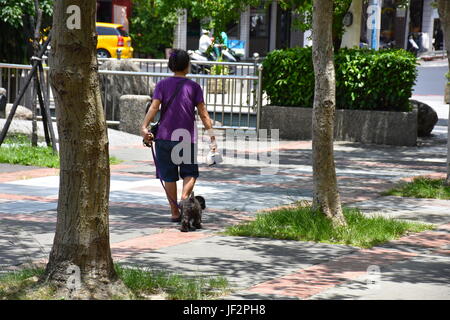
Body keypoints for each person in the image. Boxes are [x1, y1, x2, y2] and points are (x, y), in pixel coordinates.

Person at [140, 49, 216, 222]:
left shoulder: (162, 85)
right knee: (190, 172)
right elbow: (204, 114)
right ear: (187, 65)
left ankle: (175, 212)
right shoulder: (194, 87)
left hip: (164, 138)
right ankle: (184, 201)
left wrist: (144, 127)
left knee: (169, 175)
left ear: (171, 65)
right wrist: (212, 137)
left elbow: (154, 108)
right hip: (185, 138)